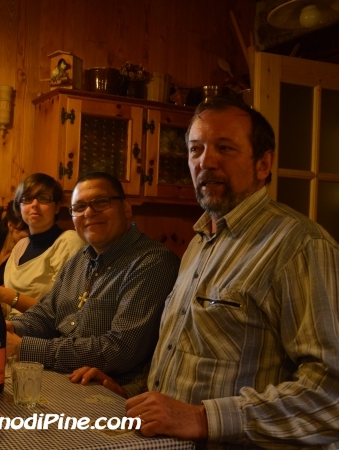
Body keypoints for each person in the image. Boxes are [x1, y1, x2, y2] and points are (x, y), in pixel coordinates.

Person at [71, 97, 339, 448]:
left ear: (263, 164)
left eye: (225, 148)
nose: (205, 162)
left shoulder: (301, 245)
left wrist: (201, 418)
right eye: (196, 150)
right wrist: (134, 393)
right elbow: (195, 358)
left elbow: (330, 395)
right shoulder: (200, 242)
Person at [6, 172, 179, 384]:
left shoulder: (152, 262)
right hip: (64, 378)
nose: (89, 212)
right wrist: (12, 328)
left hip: (113, 393)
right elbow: (47, 314)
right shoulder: (81, 257)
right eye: (79, 207)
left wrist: (24, 347)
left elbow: (120, 350)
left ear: (126, 208)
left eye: (100, 202)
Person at [0, 173, 85, 312]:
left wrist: (5, 294)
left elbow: (64, 311)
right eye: (28, 199)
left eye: (44, 198)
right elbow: (12, 310)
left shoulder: (69, 242)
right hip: (14, 327)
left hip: (43, 333)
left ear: (57, 207)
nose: (35, 204)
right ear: (19, 207)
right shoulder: (20, 246)